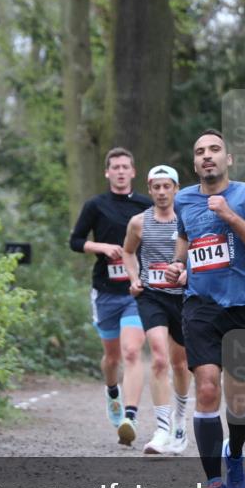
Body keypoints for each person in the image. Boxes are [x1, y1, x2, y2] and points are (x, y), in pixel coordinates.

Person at [164, 129, 245, 488]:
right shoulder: (183, 200)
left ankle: (236, 453)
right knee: (208, 388)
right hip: (200, 307)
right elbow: (185, 238)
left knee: (238, 396)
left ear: (229, 159)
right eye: (199, 152)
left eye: (214, 150)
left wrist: (229, 215)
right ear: (194, 163)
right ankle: (212, 483)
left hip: (243, 306)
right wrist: (179, 265)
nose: (207, 156)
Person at [70, 147, 152, 446]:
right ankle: (112, 391)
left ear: (133, 172)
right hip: (105, 292)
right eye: (114, 167)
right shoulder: (95, 205)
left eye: (124, 167)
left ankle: (130, 416)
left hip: (135, 290)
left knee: (132, 352)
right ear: (107, 173)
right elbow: (75, 241)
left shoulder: (146, 205)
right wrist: (102, 248)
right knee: (112, 357)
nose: (119, 171)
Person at [122, 165, 192, 455]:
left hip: (185, 297)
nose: (162, 192)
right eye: (156, 187)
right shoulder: (138, 222)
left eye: (167, 186)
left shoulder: (188, 219)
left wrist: (190, 274)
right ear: (149, 190)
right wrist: (134, 277)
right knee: (160, 359)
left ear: (176, 189)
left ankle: (180, 419)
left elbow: (199, 253)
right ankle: (162, 429)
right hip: (153, 296)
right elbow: (127, 251)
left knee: (180, 364)